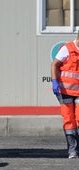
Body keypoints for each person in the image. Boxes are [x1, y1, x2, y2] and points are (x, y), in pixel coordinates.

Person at [51, 31, 79, 159]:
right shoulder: (67, 49)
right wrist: (54, 81)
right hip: (65, 92)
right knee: (69, 120)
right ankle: (72, 150)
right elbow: (54, 65)